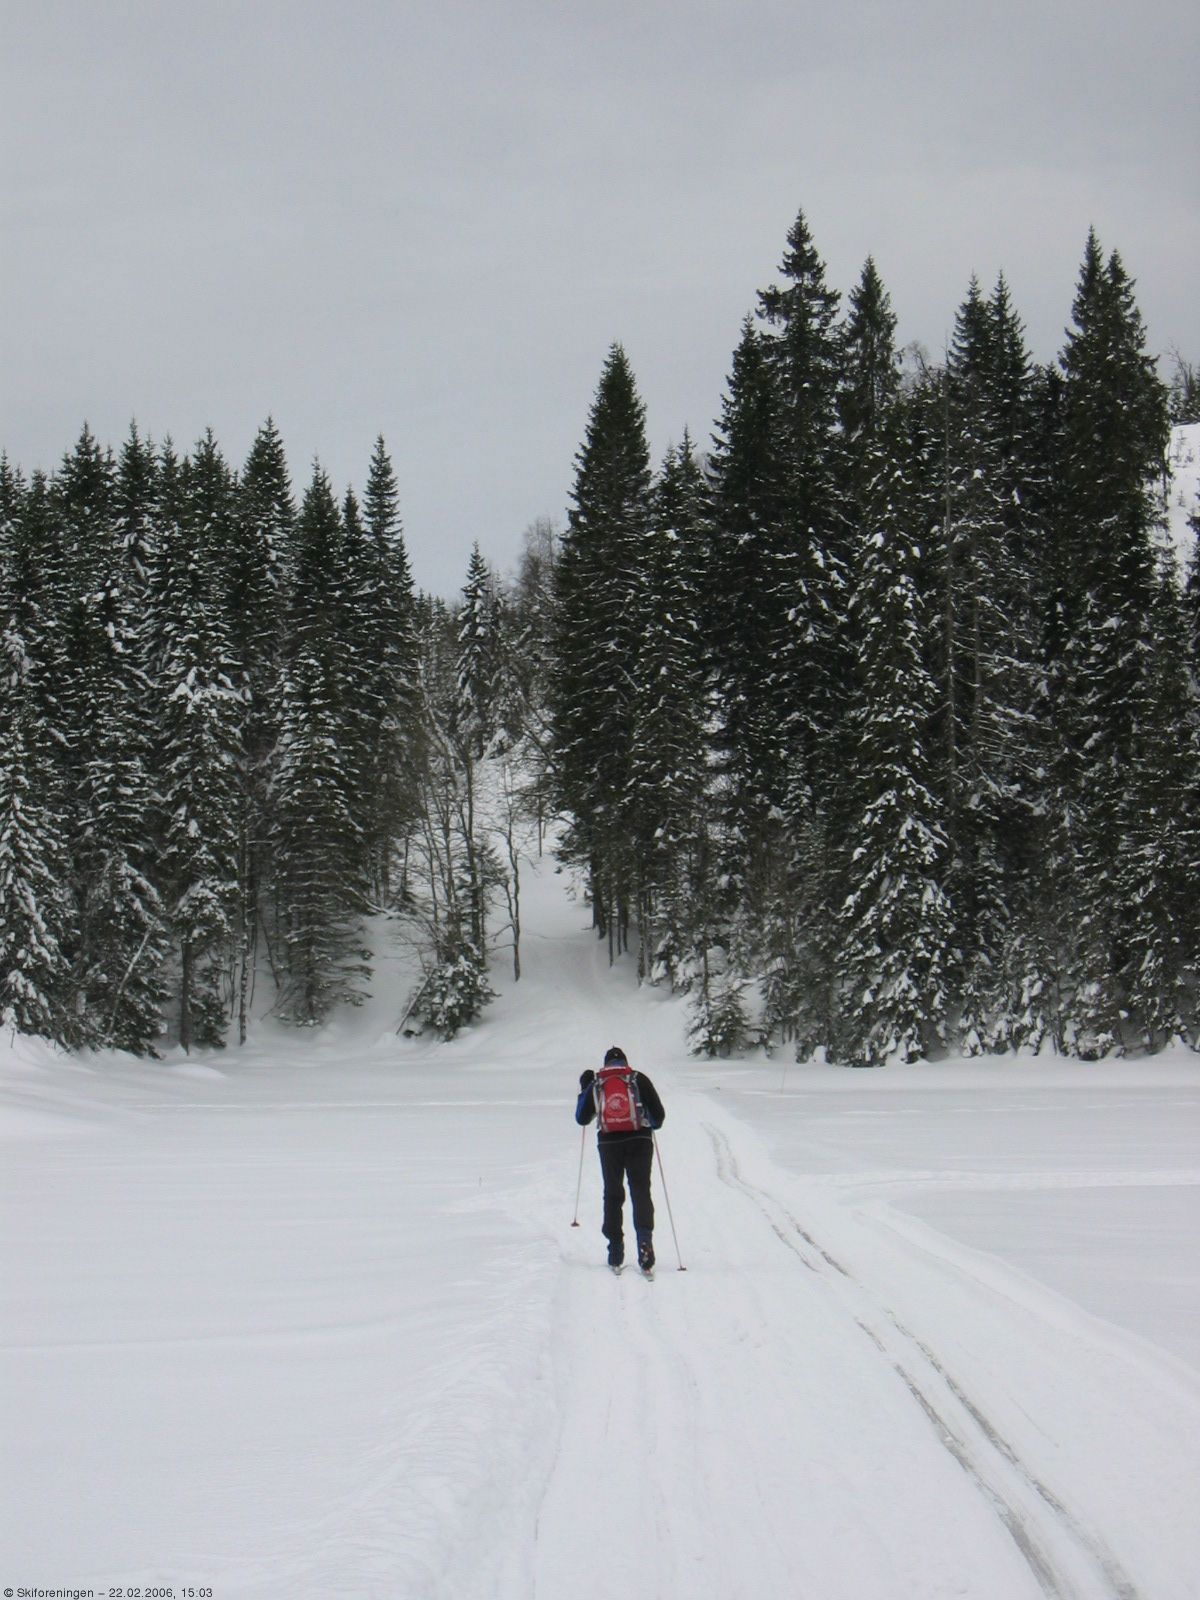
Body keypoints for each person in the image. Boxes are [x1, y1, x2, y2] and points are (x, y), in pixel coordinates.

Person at [575, 1045, 666, 1273]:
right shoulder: (637, 1079)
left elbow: (581, 1118)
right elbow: (659, 1117)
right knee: (640, 1191)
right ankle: (644, 1241)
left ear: (606, 1064)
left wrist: (585, 1088)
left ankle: (615, 1250)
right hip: (640, 1140)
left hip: (609, 1143)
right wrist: (648, 1123)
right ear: (625, 1062)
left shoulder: (597, 1082)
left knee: (613, 1194)